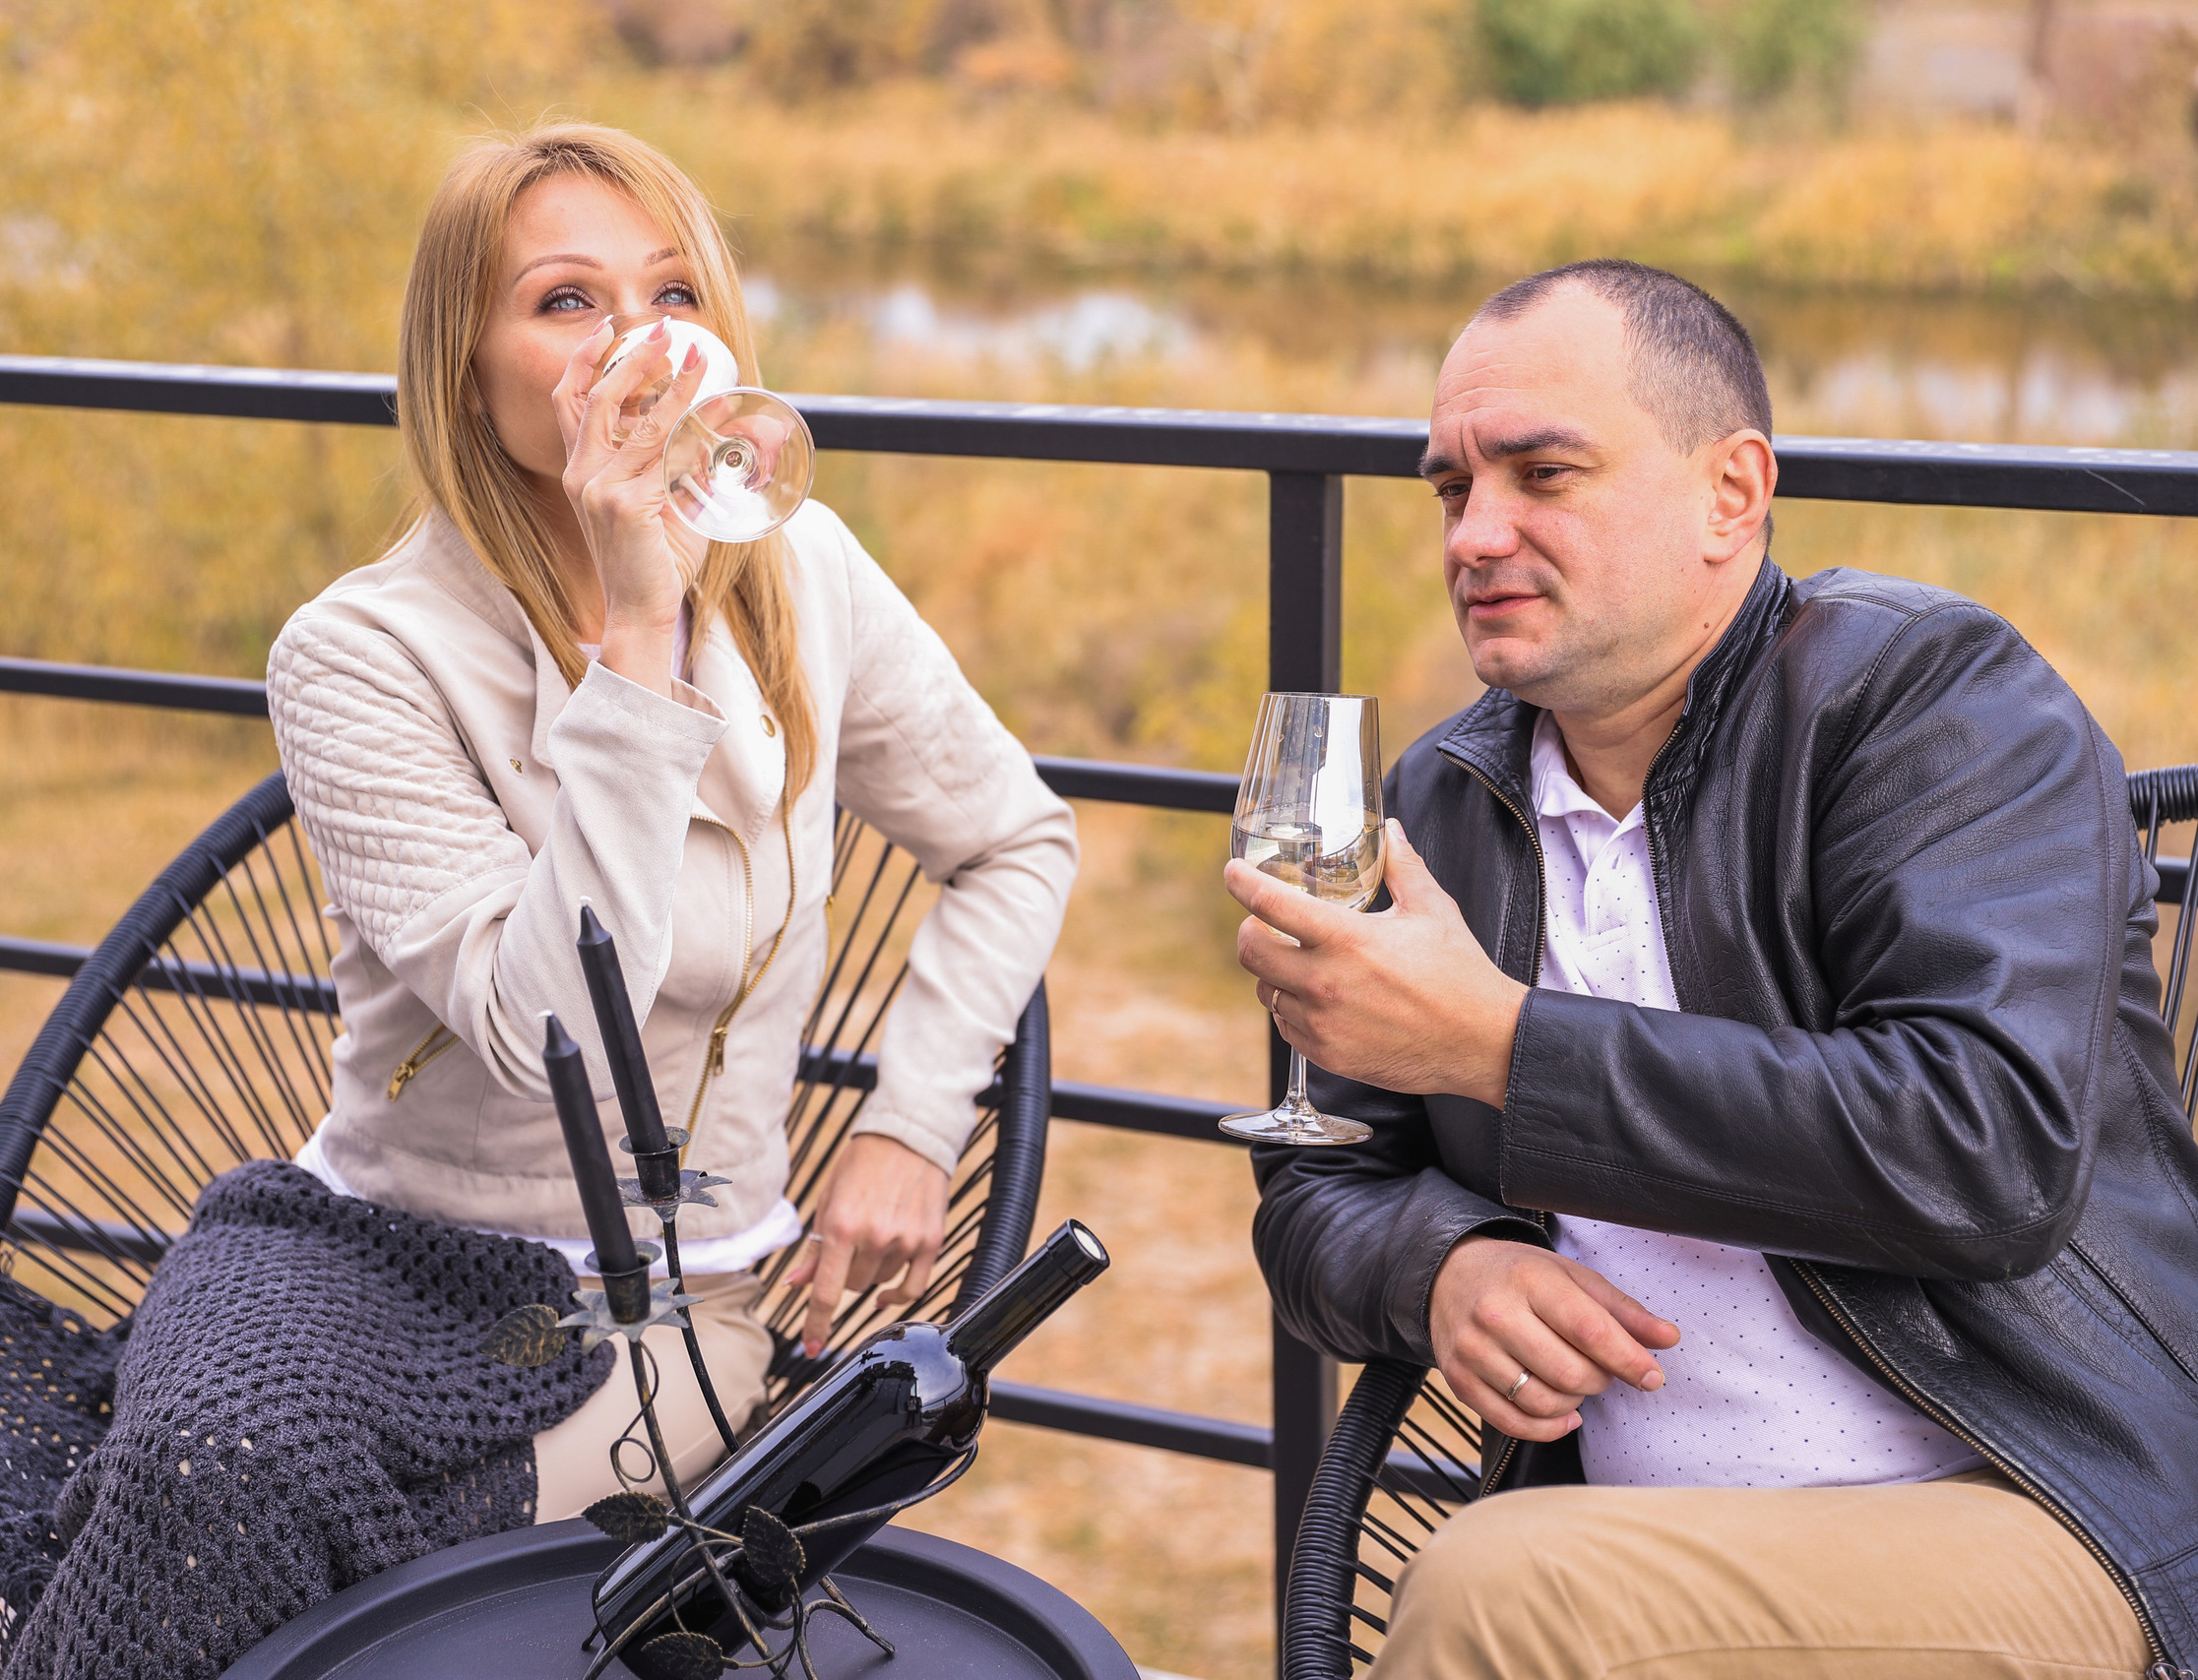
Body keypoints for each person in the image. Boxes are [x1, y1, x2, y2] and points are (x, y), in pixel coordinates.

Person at [1235, 259, 2198, 1679]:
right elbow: (1320, 1185)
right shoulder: (1443, 800)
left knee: (1497, 1599)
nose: (1476, 535)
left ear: (1731, 493)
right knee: (1525, 1587)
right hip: (1636, 1529)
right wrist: (1444, 1268)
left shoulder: (1930, 704)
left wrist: (1500, 1047)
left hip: (2034, 1498)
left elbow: (1984, 1150)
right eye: (1451, 489)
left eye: (1543, 474)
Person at [267, 123, 1077, 1516]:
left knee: (398, 1551)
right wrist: (642, 633)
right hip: (401, 1269)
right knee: (225, 1495)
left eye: (674, 293)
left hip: (679, 1299)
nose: (638, 346)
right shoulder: (360, 654)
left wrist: (911, 1124)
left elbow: (1014, 840)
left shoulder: (802, 572)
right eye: (567, 301)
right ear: (465, 366)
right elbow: (552, 1037)